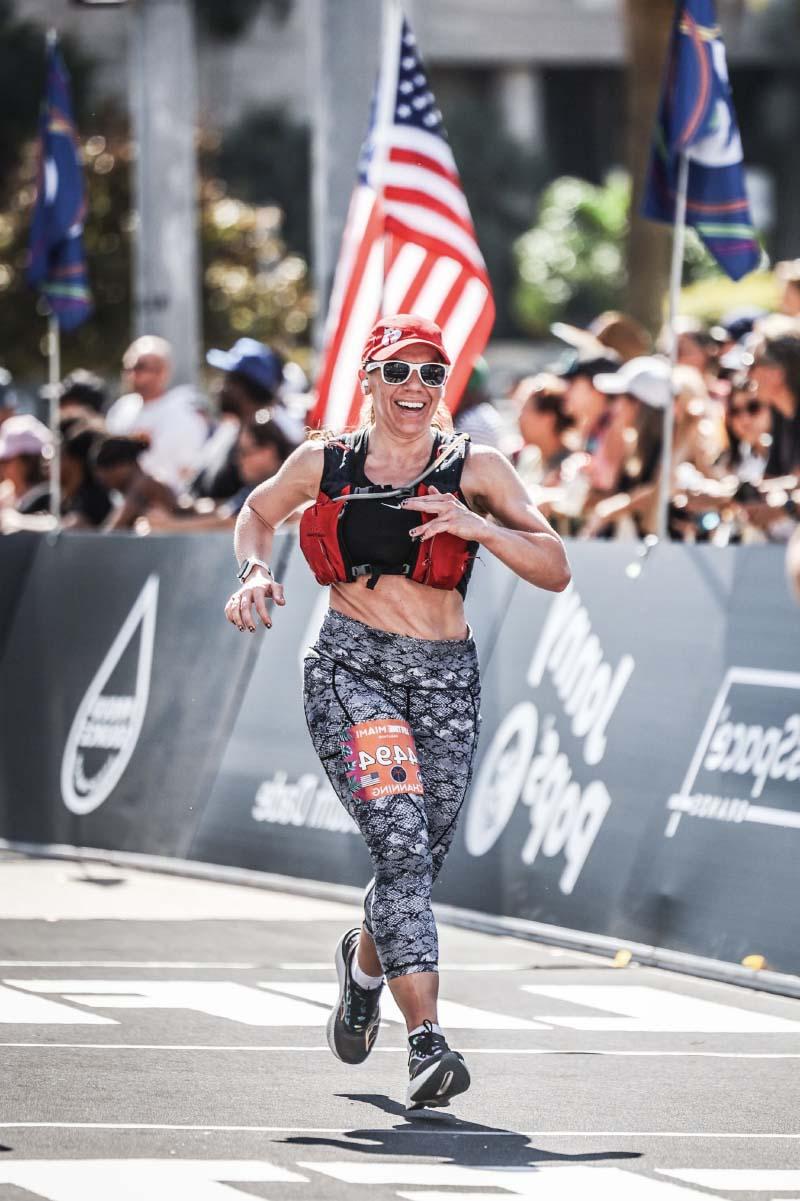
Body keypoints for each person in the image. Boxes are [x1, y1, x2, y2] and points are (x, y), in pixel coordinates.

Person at [224, 313, 570, 1110]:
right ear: (369, 378)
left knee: (415, 862)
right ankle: (427, 1042)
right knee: (404, 847)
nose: (414, 386)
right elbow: (257, 510)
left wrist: (476, 523)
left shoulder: (474, 464)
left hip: (447, 678)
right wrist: (251, 571)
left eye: (429, 372)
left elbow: (554, 564)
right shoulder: (327, 459)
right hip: (353, 669)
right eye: (399, 370)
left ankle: (364, 966)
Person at [145, 413, 295, 533]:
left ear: (269, 452)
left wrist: (168, 525)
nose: (238, 461)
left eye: (244, 452)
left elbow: (232, 523)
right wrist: (178, 507)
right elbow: (224, 510)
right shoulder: (257, 488)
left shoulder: (281, 488)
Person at [106, 335, 207, 493]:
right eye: (128, 367)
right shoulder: (121, 409)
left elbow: (189, 471)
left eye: (141, 367)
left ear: (163, 372)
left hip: (165, 506)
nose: (133, 374)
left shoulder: (182, 414)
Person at [91, 433, 178, 531]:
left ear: (123, 466)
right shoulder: (141, 484)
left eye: (107, 474)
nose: (104, 482)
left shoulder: (143, 485)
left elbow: (112, 530)